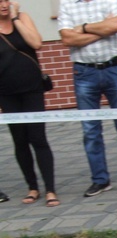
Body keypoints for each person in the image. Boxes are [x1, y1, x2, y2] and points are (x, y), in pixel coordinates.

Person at [58, 0, 117, 197]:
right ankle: (100, 180)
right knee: (90, 130)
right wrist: (102, 30)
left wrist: (82, 29)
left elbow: (115, 26)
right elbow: (66, 39)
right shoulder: (66, 3)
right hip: (84, 72)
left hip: (113, 69)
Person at [0, 1, 59, 207]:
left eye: (5, 0)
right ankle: (32, 187)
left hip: (32, 89)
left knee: (38, 137)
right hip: (6, 93)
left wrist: (16, 18)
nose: (3, 5)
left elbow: (36, 43)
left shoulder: (22, 18)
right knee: (20, 140)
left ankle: (50, 189)